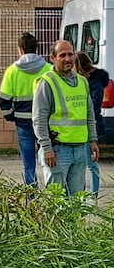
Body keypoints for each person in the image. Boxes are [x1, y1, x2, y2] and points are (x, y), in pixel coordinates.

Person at [33, 40, 99, 196]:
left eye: (70, 54)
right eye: (62, 55)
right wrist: (47, 148)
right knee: (55, 202)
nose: (67, 59)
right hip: (57, 150)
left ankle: (75, 222)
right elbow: (39, 119)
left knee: (76, 201)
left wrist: (93, 140)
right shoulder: (47, 83)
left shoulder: (82, 82)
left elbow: (89, 114)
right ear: (52, 58)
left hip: (80, 149)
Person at [0, 32, 51, 188]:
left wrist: (9, 116)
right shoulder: (49, 69)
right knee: (48, 159)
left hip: (22, 122)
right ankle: (51, 194)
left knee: (28, 164)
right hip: (45, 122)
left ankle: (32, 198)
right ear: (37, 48)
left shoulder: (12, 71)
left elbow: (3, 99)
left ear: (20, 49)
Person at [74, 51, 108, 197]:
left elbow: (94, 103)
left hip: (90, 125)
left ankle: (93, 194)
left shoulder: (92, 81)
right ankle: (90, 193)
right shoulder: (91, 79)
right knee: (88, 163)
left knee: (90, 163)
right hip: (90, 124)